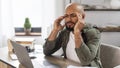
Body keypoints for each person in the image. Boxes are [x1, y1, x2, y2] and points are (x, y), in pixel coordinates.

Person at [43, 3, 103, 68]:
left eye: (73, 15)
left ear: (82, 16)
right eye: (66, 16)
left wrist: (77, 32)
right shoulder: (65, 32)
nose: (68, 19)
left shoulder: (93, 33)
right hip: (69, 65)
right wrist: (55, 30)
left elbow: (86, 60)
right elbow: (47, 51)